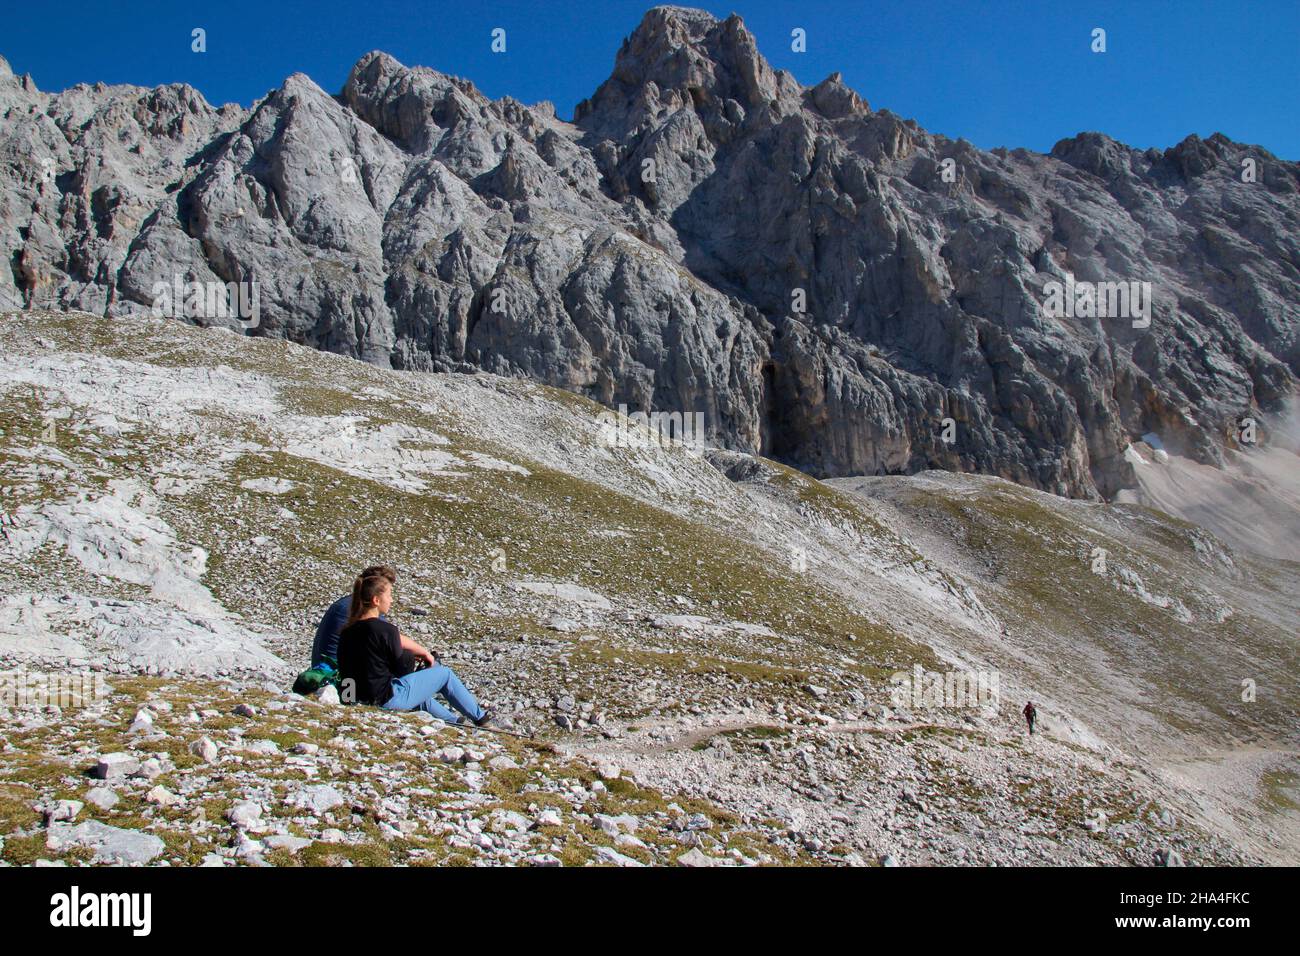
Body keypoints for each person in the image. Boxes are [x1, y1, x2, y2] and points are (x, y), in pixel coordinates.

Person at [337, 572, 494, 727]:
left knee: (417, 691)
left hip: (356, 700)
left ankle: (455, 723)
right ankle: (482, 720)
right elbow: (401, 669)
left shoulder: (346, 631)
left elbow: (346, 671)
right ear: (376, 600)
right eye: (389, 595)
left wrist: (348, 703)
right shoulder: (386, 630)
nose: (391, 600)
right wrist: (419, 665)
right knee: (444, 674)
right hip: (385, 701)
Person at [311, 564, 396, 667]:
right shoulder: (356, 609)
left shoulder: (348, 603)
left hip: (328, 669)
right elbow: (389, 638)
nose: (391, 599)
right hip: (338, 675)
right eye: (388, 594)